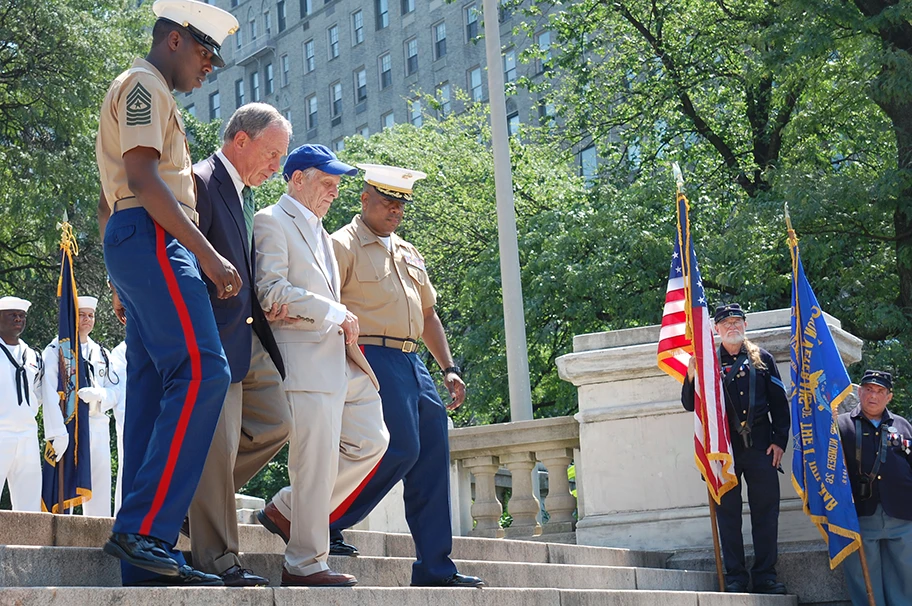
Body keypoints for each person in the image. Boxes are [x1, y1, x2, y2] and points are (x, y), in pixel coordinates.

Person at [257, 164, 484, 588]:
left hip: (412, 359)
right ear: (364, 200)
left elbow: (428, 315)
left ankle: (435, 567)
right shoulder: (339, 243)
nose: (396, 210)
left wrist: (449, 367)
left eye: (401, 204)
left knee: (431, 458)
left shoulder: (408, 252)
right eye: (387, 201)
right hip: (369, 354)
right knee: (397, 448)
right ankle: (321, 521)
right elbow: (323, 304)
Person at [94, 0, 239, 587]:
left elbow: (111, 197)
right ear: (175, 40)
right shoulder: (142, 85)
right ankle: (147, 529)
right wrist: (205, 252)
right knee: (206, 371)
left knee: (155, 393)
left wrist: (122, 273)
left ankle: (143, 563)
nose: (209, 67)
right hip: (155, 236)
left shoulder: (156, 94)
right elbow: (141, 180)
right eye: (205, 53)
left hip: (140, 240)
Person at [253, 145, 389, 587]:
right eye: (326, 182)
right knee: (315, 465)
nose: (335, 191)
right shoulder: (271, 221)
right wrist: (333, 313)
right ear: (297, 179)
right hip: (304, 363)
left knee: (373, 439)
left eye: (336, 183)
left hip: (339, 363)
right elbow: (270, 293)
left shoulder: (319, 231)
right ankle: (304, 564)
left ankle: (289, 509)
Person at [187, 103, 293, 587]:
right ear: (241, 141)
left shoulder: (247, 194)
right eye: (272, 154)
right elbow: (182, 258)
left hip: (250, 335)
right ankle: (219, 560)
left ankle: (192, 499)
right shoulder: (201, 181)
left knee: (278, 422)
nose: (277, 166)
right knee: (220, 444)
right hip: (213, 336)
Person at [682, 303, 789, 594]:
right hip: (722, 452)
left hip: (761, 449)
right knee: (727, 515)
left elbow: (780, 405)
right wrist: (692, 375)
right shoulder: (706, 362)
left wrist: (780, 441)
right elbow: (691, 405)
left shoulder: (761, 359)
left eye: (737, 321)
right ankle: (736, 577)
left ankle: (765, 575)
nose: (732, 326)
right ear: (715, 329)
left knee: (765, 514)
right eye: (725, 322)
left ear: (745, 324)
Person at [42, 295, 121, 517]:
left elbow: (116, 392)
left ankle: (98, 545)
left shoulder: (102, 353)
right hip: (70, 427)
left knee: (100, 488)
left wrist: (100, 395)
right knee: (66, 490)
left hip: (97, 426)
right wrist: (56, 431)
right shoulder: (57, 349)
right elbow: (49, 394)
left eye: (91, 315)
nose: (87, 319)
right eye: (81, 314)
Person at [838, 370, 912, 605]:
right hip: (860, 517)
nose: (873, 395)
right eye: (868, 389)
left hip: (901, 515)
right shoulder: (841, 425)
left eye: (880, 391)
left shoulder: (902, 425)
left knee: (905, 578)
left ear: (889, 397)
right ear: (859, 392)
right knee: (864, 581)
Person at [0, 297, 62, 512]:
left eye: (22, 315)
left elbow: (39, 393)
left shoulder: (33, 355)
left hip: (27, 433)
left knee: (29, 505)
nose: (18, 319)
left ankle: (27, 546)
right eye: (12, 315)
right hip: (1, 431)